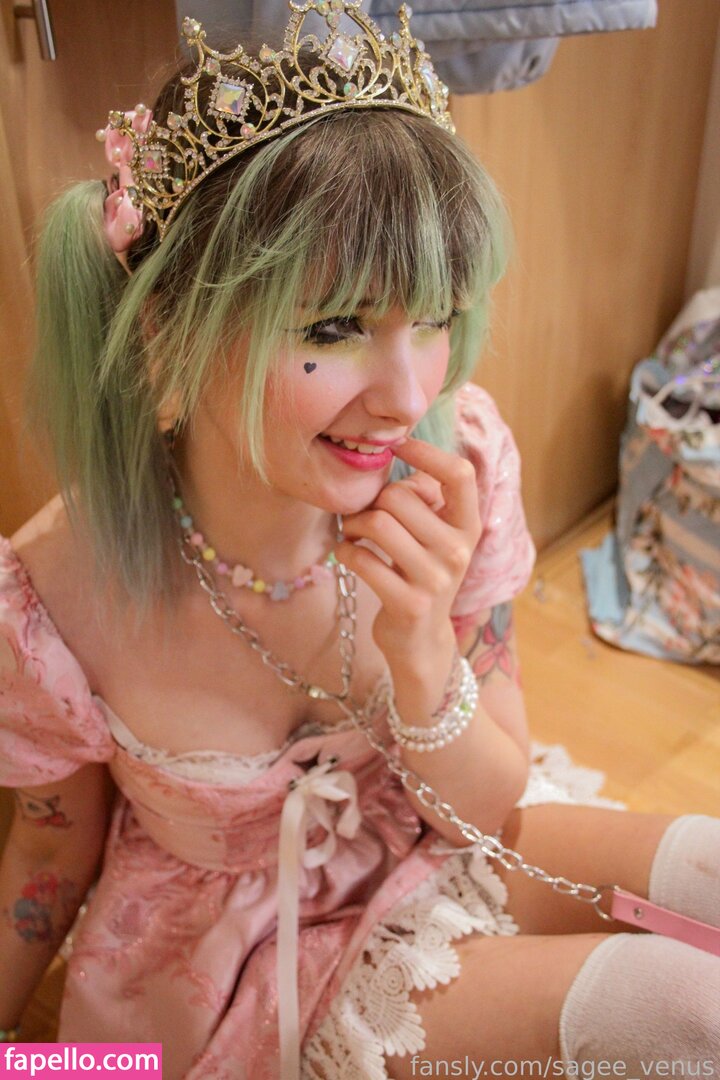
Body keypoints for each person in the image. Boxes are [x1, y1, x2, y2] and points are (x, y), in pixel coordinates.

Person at [0, 4, 718, 1078]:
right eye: (333, 328)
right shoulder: (55, 589)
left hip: (438, 828)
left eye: (432, 318)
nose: (409, 394)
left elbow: (489, 802)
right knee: (685, 1012)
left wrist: (424, 649)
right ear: (165, 324)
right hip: (223, 970)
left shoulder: (458, 461)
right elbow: (49, 849)